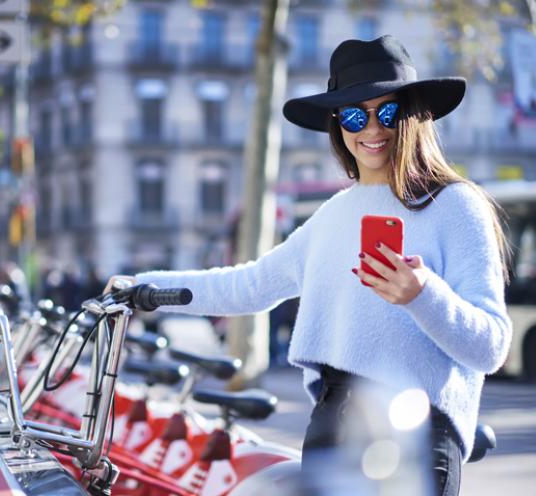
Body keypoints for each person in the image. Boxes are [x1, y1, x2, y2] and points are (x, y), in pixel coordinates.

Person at [105, 36, 512, 496]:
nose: (371, 128)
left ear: (414, 115)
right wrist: (140, 288)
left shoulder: (456, 205)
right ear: (338, 125)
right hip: (331, 424)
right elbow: (250, 284)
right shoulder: (333, 214)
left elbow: (491, 347)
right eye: (355, 115)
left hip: (416, 435)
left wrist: (423, 296)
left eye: (388, 111)